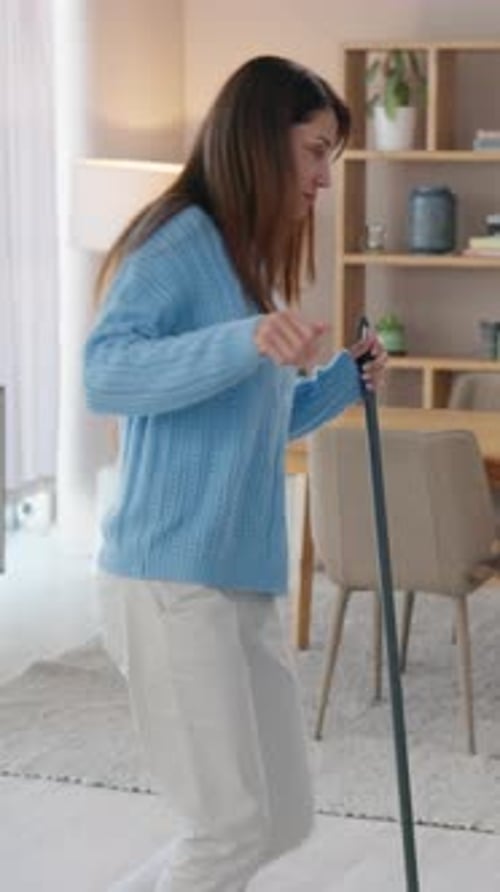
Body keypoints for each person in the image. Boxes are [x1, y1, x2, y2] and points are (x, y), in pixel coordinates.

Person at [83, 55, 386, 892]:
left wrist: (339, 381)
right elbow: (106, 374)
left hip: (239, 578)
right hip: (168, 576)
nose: (325, 178)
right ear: (261, 139)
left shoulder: (245, 261)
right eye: (316, 150)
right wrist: (243, 342)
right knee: (227, 828)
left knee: (281, 819)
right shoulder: (177, 241)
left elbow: (255, 423)